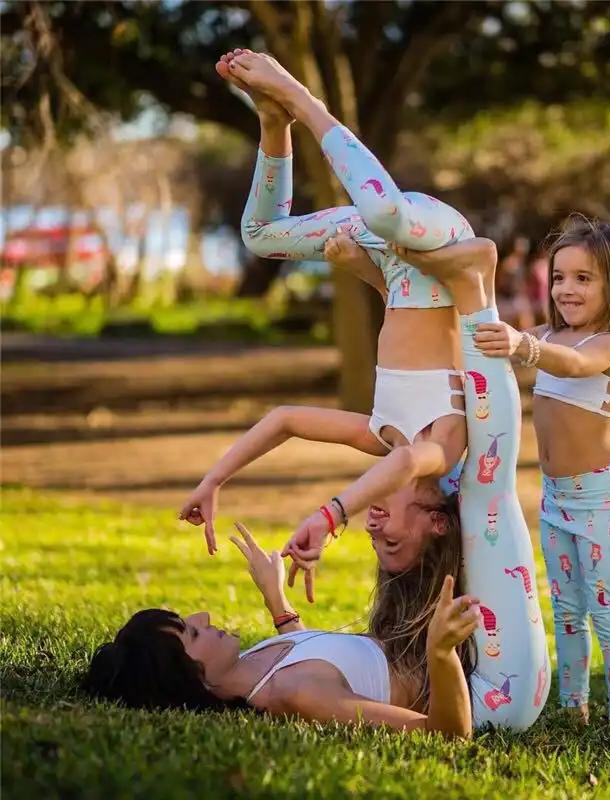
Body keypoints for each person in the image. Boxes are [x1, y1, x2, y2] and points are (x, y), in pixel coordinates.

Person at [183, 50, 550, 730]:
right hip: (428, 234)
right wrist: (331, 515)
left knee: (260, 234)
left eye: (373, 517)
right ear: (436, 516)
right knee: (383, 215)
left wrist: (213, 480)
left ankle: (273, 124)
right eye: (388, 522)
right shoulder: (445, 449)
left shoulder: (381, 433)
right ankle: (299, 95)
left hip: (396, 259)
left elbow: (285, 418)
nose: (377, 515)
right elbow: (406, 466)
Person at [470, 214, 610, 730]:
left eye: (583, 278)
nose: (567, 289)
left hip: (601, 499)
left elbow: (570, 365)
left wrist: (522, 346)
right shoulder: (550, 333)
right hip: (555, 498)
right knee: (567, 610)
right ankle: (574, 709)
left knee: (606, 610)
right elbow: (510, 339)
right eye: (559, 277)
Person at [83, 523, 481, 738]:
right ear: (192, 677)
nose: (203, 617)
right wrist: (441, 652)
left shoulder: (253, 665)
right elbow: (445, 734)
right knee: (414, 509)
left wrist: (276, 598)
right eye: (191, 633)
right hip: (467, 668)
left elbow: (321, 659)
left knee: (404, 502)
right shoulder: (297, 695)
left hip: (410, 632)